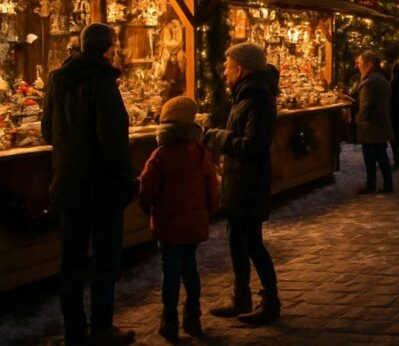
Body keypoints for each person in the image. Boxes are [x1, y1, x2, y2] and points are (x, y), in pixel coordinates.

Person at [42, 23, 138, 346]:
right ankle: (101, 328)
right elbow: (113, 141)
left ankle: (74, 331)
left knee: (71, 264)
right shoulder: (102, 82)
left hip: (68, 185)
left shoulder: (58, 81)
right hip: (101, 188)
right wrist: (127, 180)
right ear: (109, 49)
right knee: (105, 262)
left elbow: (47, 131)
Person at [203, 43, 281, 325]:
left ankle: (270, 300)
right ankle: (241, 296)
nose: (224, 73)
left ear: (240, 69)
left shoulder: (258, 99)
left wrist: (213, 137)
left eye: (227, 67)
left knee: (252, 243)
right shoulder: (244, 96)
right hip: (238, 181)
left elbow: (253, 145)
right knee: (236, 241)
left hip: (249, 183)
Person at [138, 96, 219, 341]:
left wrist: (147, 208)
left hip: (168, 225)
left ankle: (169, 319)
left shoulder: (160, 155)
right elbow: (212, 185)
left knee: (171, 271)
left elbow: (147, 189)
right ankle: (193, 315)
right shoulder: (200, 153)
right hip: (193, 224)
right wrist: (210, 208)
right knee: (190, 267)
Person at [354, 52, 394, 194]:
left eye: (360, 63)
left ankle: (371, 184)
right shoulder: (382, 79)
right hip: (381, 124)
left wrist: (358, 118)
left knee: (371, 157)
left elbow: (366, 106)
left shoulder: (370, 83)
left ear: (369, 65)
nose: (357, 66)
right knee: (382, 155)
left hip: (371, 127)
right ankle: (388, 183)